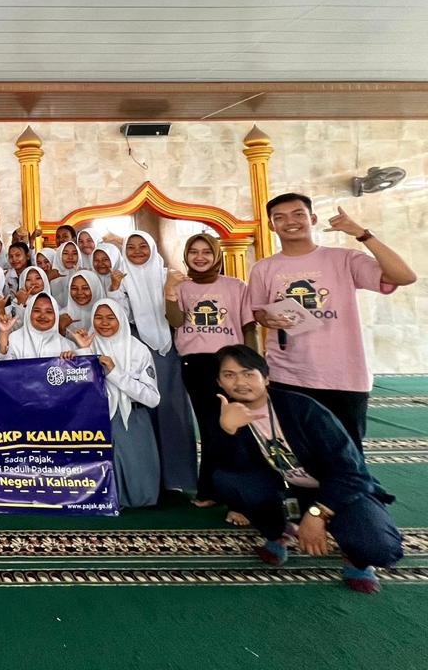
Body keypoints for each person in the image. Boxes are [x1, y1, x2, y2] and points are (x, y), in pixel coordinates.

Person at [212, 344, 402, 593]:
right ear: (219, 382)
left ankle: (356, 559)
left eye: (248, 373)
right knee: (227, 480)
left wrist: (317, 513)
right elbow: (233, 471)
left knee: (380, 550)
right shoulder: (228, 415)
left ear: (266, 377)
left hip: (339, 489)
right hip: (288, 490)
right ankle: (280, 532)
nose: (239, 382)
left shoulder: (304, 409)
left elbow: (352, 472)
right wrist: (229, 431)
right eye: (229, 375)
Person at [244, 193, 416, 452]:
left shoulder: (344, 259)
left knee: (346, 454)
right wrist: (267, 318)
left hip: (343, 375)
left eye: (298, 214)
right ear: (271, 226)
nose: (290, 222)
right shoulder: (263, 268)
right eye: (280, 217)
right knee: (297, 451)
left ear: (312, 218)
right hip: (287, 375)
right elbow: (258, 312)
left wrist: (362, 234)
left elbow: (404, 276)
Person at [165, 234, 257, 512]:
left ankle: (242, 491)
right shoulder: (182, 287)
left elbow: (248, 326)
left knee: (237, 427)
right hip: (196, 365)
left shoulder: (236, 286)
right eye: (194, 252)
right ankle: (211, 488)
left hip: (231, 364)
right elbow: (176, 321)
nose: (200, 257)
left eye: (206, 251)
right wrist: (170, 291)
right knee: (210, 427)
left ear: (216, 255)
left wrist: (252, 365)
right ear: (186, 256)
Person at [121, 230, 197, 495]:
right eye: (131, 247)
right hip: (135, 349)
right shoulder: (121, 278)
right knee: (142, 412)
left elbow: (180, 316)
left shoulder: (169, 276)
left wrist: (169, 290)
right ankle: (148, 479)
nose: (137, 251)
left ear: (153, 248)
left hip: (169, 350)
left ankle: (178, 478)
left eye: (143, 246)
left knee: (171, 410)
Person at [90, 299, 162, 509]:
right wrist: (78, 354)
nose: (104, 323)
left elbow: (152, 398)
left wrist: (115, 373)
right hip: (97, 419)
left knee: (139, 488)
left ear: (121, 319)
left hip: (132, 417)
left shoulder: (138, 350)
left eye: (110, 318)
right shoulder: (87, 346)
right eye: (98, 317)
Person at [0, 292, 92, 360]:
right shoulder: (13, 339)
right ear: (28, 313)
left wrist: (82, 351)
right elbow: (3, 368)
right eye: (37, 311)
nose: (42, 316)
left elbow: (82, 375)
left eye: (49, 312)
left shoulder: (68, 345)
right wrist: (4, 333)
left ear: (56, 315)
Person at [58, 270, 104, 338]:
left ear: (95, 289)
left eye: (85, 288)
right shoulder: (61, 316)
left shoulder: (108, 316)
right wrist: (60, 329)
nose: (79, 292)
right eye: (74, 288)